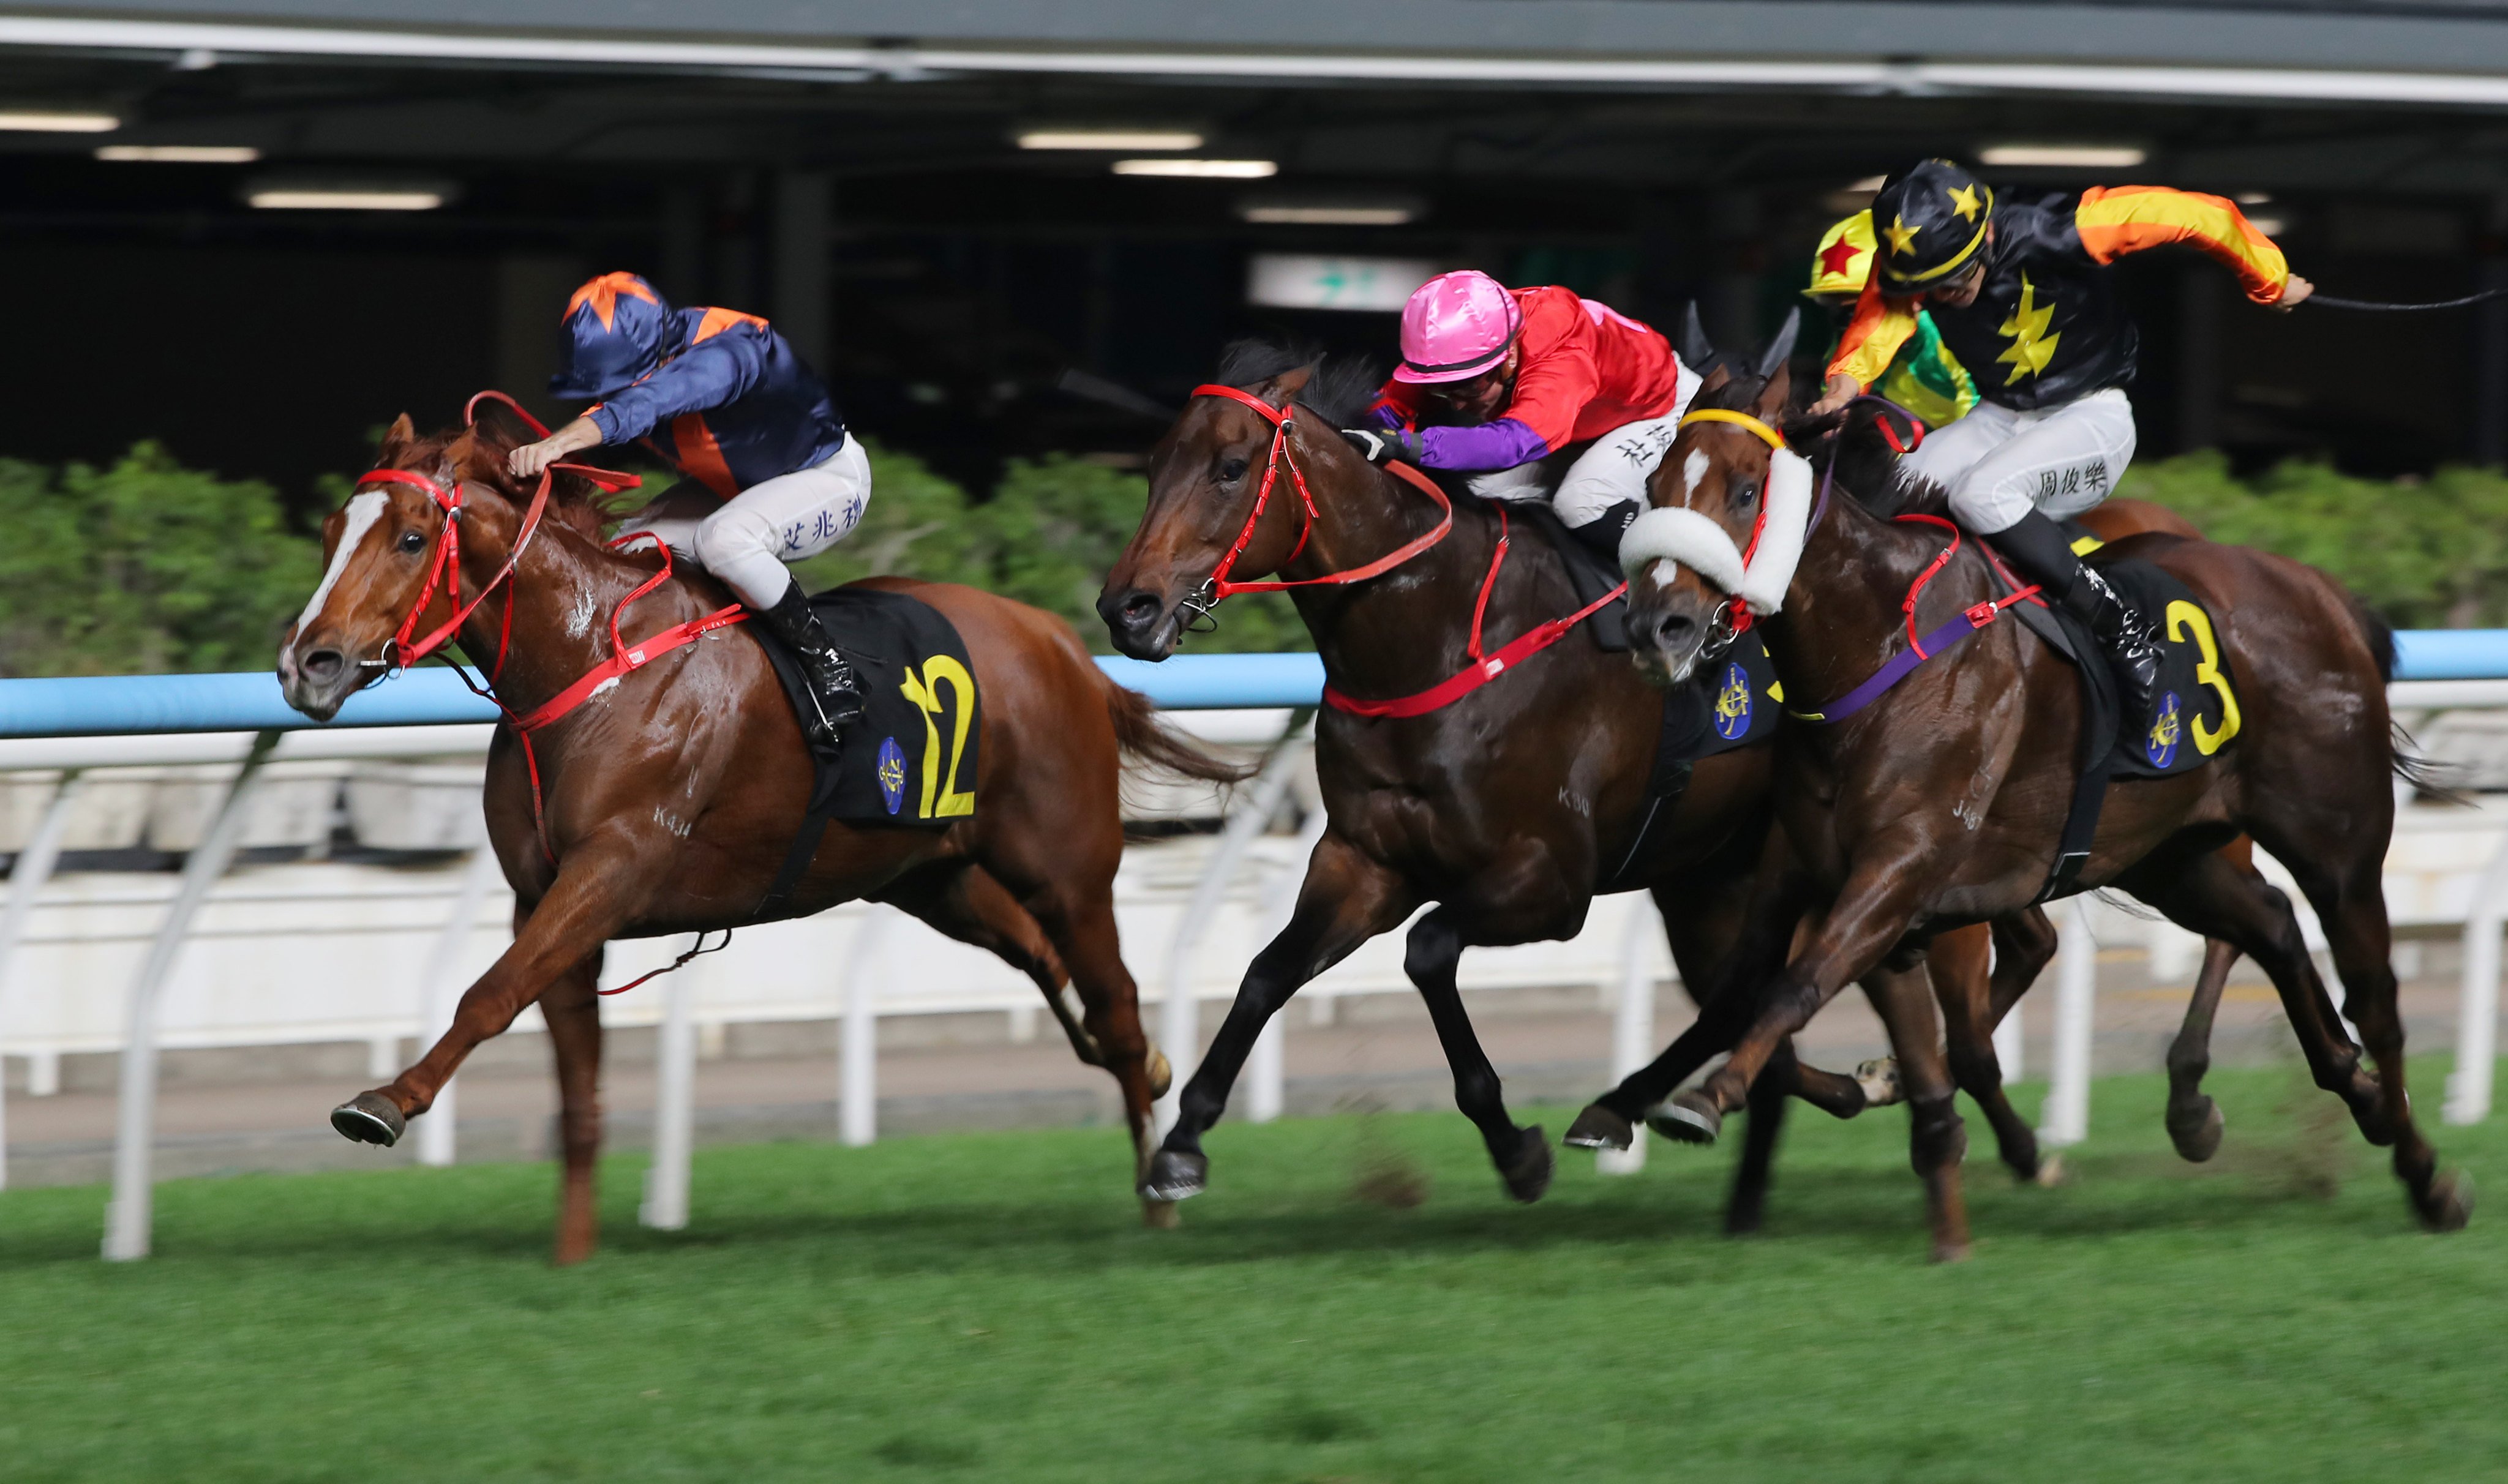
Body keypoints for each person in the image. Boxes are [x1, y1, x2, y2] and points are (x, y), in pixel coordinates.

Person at [1807, 160, 2311, 717]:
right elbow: (1880, 320)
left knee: (1980, 495)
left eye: (1955, 278)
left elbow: (2192, 214)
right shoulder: (1911, 270)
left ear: (1988, 235)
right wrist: (1842, 387)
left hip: (2092, 416)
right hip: (2002, 413)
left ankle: (2123, 631)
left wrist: (2270, 278)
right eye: (1929, 287)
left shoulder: (2061, 227)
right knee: (1882, 495)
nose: (1945, 295)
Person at [509, 272, 865, 751]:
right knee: (625, 552)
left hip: (825, 478)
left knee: (725, 542)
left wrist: (558, 443)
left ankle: (829, 667)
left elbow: (651, 401)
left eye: (621, 386)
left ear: (660, 356)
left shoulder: (735, 351)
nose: (612, 398)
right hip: (729, 488)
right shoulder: (651, 356)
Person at [1342, 269, 1700, 553]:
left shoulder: (1560, 357)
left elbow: (1511, 444)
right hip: (1580, 420)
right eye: (1442, 389)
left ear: (1510, 355)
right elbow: (1388, 407)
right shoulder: (1468, 345)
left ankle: (1668, 593)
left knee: (1582, 502)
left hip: (1661, 408)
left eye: (1470, 386)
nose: (1459, 404)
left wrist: (1411, 445)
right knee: (1478, 499)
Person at [1803, 209, 1976, 429]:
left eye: (1863, 309)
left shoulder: (1942, 335)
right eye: (1837, 306)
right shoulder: (1843, 355)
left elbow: (1974, 398)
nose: (1852, 323)